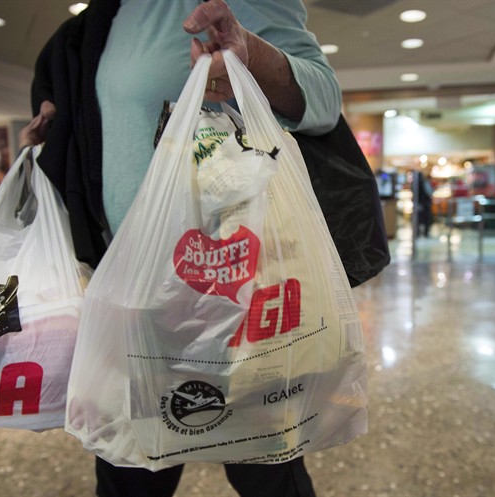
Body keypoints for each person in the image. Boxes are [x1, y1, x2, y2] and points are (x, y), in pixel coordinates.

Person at [20, 1, 341, 495]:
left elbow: (324, 100)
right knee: (130, 469)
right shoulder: (98, 21)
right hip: (130, 292)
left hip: (240, 290)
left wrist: (251, 58)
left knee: (266, 469)